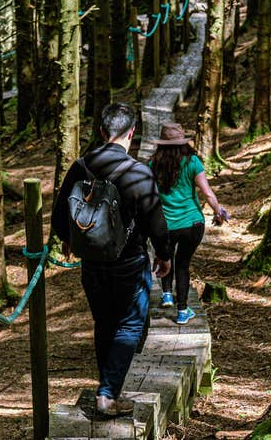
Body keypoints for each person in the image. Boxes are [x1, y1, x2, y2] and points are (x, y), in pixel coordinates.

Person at [51, 103, 172, 417]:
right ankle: (107, 395)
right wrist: (164, 254)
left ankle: (108, 388)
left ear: (102, 132)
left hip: (92, 264)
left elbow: (58, 217)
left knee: (104, 324)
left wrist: (70, 240)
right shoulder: (138, 172)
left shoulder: (81, 167)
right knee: (130, 325)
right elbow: (155, 220)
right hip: (129, 263)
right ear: (131, 133)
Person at [149, 123, 229, 325]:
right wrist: (219, 212)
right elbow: (207, 193)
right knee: (182, 265)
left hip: (165, 224)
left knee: (166, 256)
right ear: (182, 142)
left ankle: (167, 294)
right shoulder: (192, 162)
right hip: (192, 223)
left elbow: (149, 196)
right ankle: (182, 311)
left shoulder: (152, 164)